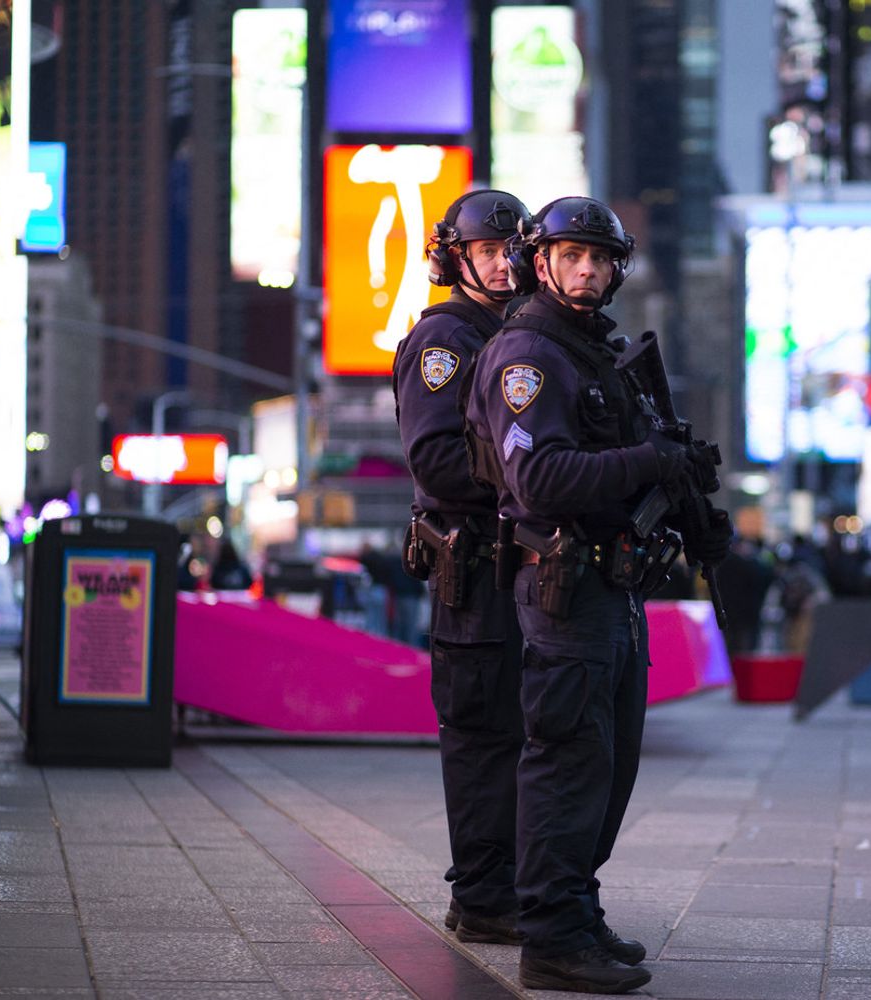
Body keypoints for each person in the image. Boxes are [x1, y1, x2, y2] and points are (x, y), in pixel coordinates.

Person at [464, 196, 732, 994]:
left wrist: (682, 489)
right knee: (569, 763)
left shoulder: (591, 352)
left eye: (600, 259)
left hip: (611, 587)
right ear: (538, 262)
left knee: (607, 769)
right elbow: (538, 478)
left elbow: (636, 457)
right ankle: (550, 935)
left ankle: (575, 911)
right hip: (563, 589)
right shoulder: (528, 356)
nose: (587, 270)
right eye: (572, 256)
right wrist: (647, 463)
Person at [392, 188, 531, 947]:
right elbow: (437, 461)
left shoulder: (522, 334)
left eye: (516, 253)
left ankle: (511, 889)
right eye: (489, 252)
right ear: (457, 257)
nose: (506, 266)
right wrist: (536, 475)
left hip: (523, 573)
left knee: (524, 734)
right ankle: (482, 898)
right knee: (483, 740)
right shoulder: (449, 338)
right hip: (474, 571)